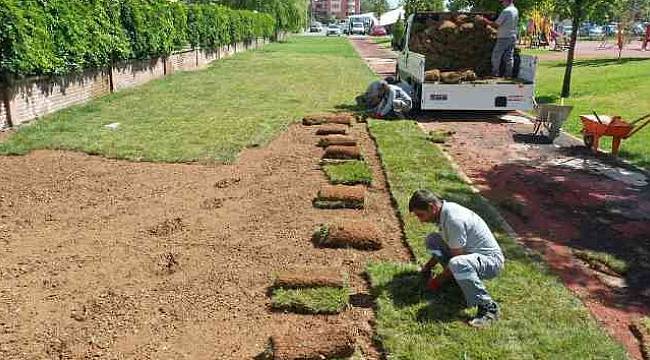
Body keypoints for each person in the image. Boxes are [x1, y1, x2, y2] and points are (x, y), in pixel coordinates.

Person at [409, 190, 505, 327]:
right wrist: (427, 268)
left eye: (421, 215)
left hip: (490, 262)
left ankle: (488, 307)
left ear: (432, 207)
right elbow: (448, 245)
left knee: (457, 263)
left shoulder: (453, 220)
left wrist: (437, 282)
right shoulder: (444, 213)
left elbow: (457, 258)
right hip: (470, 256)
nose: (421, 220)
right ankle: (459, 280)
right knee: (433, 240)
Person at [488, 0, 519, 77]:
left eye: (502, 2)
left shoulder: (506, 11)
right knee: (509, 57)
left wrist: (485, 21)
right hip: (512, 36)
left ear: (507, 1)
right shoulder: (515, 10)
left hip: (504, 37)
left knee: (496, 55)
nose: (502, 4)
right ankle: (509, 74)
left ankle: (495, 73)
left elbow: (496, 24)